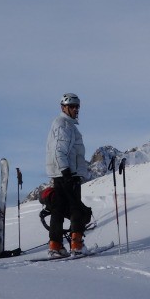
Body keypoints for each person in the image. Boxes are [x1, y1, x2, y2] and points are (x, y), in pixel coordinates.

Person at [44, 93, 96, 256]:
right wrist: (67, 172)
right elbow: (59, 149)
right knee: (75, 209)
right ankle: (76, 244)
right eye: (72, 106)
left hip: (62, 173)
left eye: (77, 106)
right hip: (67, 174)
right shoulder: (64, 125)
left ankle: (55, 245)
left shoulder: (67, 125)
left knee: (58, 210)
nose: (76, 109)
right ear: (63, 108)